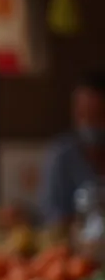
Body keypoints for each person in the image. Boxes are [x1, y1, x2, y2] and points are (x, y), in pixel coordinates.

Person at [37, 72, 105, 227]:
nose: (90, 124)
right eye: (83, 115)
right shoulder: (61, 155)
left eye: (98, 115)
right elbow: (50, 214)